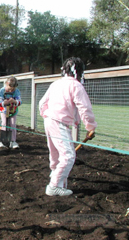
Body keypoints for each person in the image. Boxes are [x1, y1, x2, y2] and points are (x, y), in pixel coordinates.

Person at [39, 57, 97, 197]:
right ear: (80, 71)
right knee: (68, 156)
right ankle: (54, 186)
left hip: (49, 120)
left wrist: (47, 115)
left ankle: (58, 179)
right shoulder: (76, 86)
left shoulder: (56, 83)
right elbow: (84, 108)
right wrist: (90, 126)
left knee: (56, 154)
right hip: (59, 123)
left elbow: (42, 103)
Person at [0, 76, 22, 149]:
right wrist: (4, 103)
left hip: (13, 110)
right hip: (4, 110)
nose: (11, 91)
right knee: (4, 123)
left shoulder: (16, 91)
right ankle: (3, 141)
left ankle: (13, 141)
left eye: (13, 89)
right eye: (9, 89)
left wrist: (14, 101)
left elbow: (20, 101)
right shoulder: (2, 90)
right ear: (6, 84)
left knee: (13, 124)